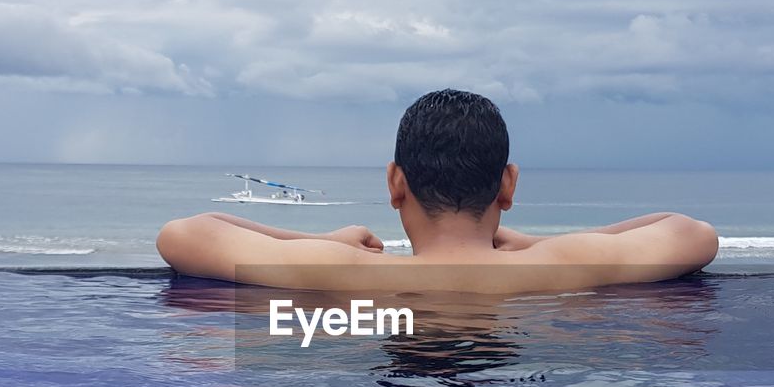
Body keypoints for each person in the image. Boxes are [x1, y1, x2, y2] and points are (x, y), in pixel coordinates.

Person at [156, 89, 718, 293]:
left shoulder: (345, 272)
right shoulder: (563, 267)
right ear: (507, 184)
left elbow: (184, 234)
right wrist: (539, 244)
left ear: (395, 184)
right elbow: (690, 233)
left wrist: (327, 239)